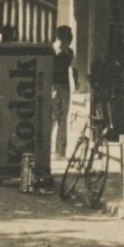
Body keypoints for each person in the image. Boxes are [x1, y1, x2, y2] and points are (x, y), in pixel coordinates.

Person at [50, 25, 78, 159]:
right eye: (66, 40)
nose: (68, 43)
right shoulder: (52, 51)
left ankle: (60, 150)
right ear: (60, 38)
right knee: (52, 118)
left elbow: (73, 68)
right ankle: (46, 149)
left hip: (65, 87)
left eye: (69, 40)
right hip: (53, 86)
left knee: (63, 119)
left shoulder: (69, 53)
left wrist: (76, 82)